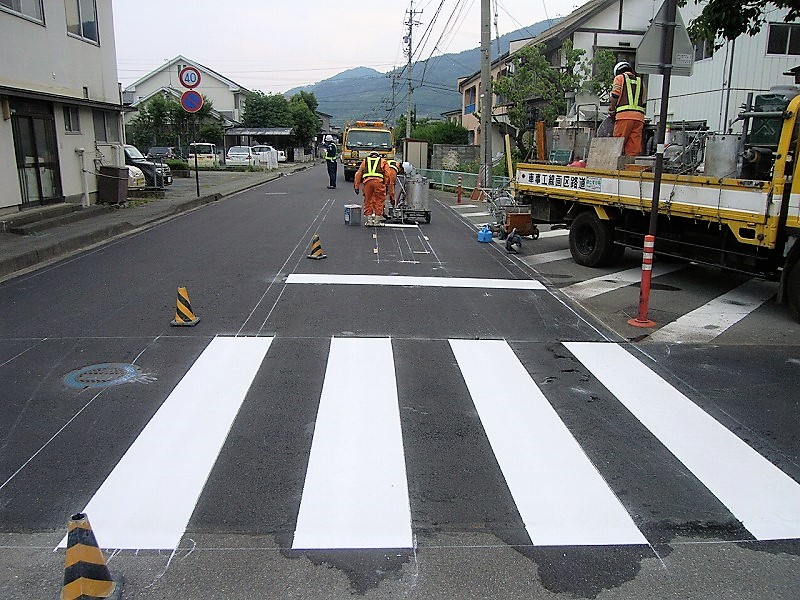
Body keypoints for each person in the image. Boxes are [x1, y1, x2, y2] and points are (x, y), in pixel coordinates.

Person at [608, 61, 646, 156]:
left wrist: (612, 109)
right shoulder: (640, 81)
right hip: (639, 118)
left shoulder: (619, 78)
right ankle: (630, 164)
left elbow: (615, 95)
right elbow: (643, 101)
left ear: (617, 72)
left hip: (624, 117)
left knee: (618, 145)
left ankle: (614, 163)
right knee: (633, 148)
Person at [354, 152, 391, 225]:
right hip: (379, 182)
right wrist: (386, 184)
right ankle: (377, 221)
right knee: (379, 200)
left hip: (367, 182)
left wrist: (356, 186)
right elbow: (387, 174)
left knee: (368, 200)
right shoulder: (383, 161)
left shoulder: (365, 161)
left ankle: (369, 221)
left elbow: (358, 174)